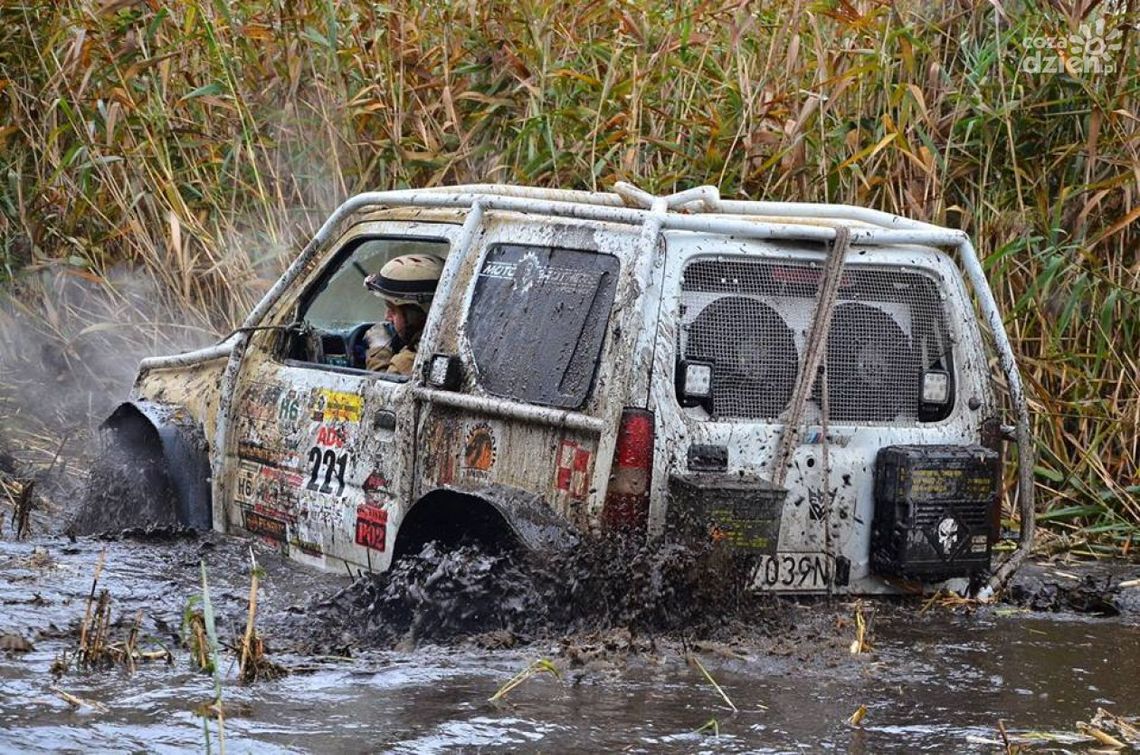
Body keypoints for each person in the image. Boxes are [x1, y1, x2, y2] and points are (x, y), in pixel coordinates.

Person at [362, 253, 445, 375]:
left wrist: (379, 350)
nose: (387, 317)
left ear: (414, 316)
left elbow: (379, 388)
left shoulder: (408, 362)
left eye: (393, 310)